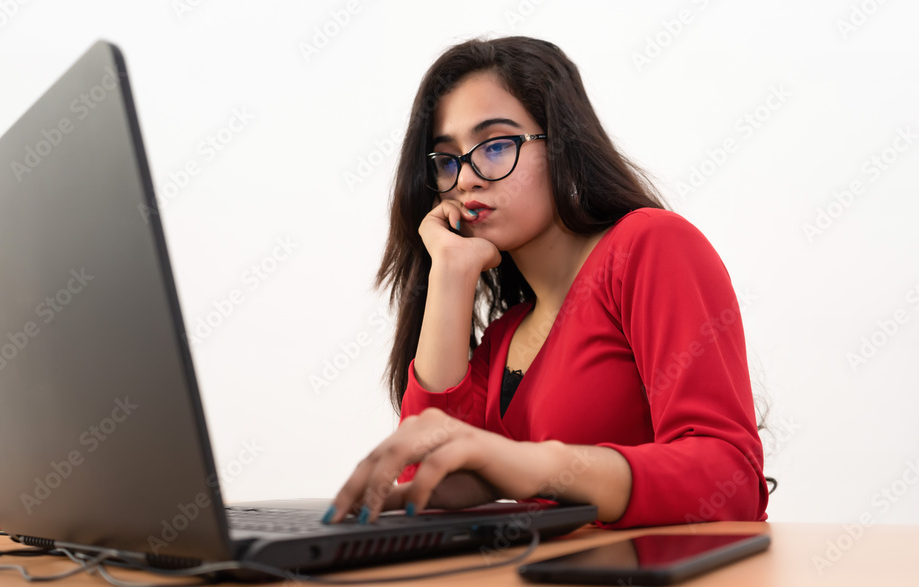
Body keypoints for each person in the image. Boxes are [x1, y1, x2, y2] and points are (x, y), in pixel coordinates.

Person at [322, 36, 769, 528]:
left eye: (495, 146)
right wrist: (451, 271)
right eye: (448, 160)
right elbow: (421, 483)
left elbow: (731, 481)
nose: (466, 178)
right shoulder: (503, 340)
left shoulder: (650, 245)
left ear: (561, 147)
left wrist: (538, 466)